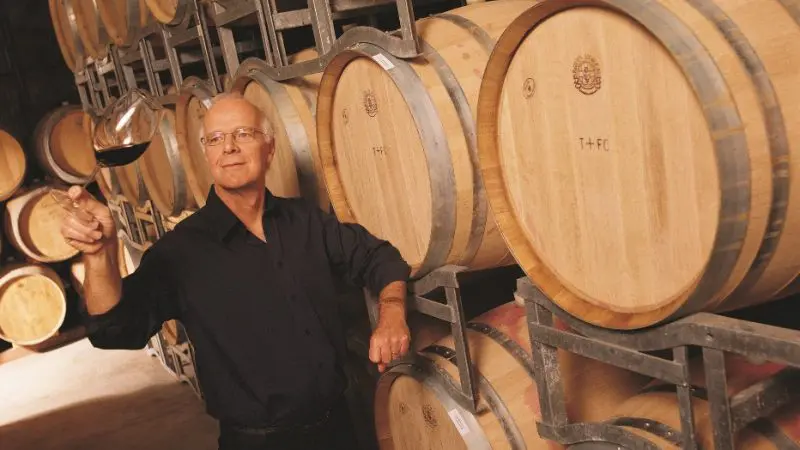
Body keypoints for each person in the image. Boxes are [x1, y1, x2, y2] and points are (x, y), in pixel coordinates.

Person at [59, 93, 412, 450]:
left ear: (269, 148)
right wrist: (100, 255)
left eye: (243, 134)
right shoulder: (182, 251)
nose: (228, 147)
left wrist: (393, 312)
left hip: (339, 431)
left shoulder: (304, 221)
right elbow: (114, 329)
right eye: (215, 139)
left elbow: (377, 255)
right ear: (207, 155)